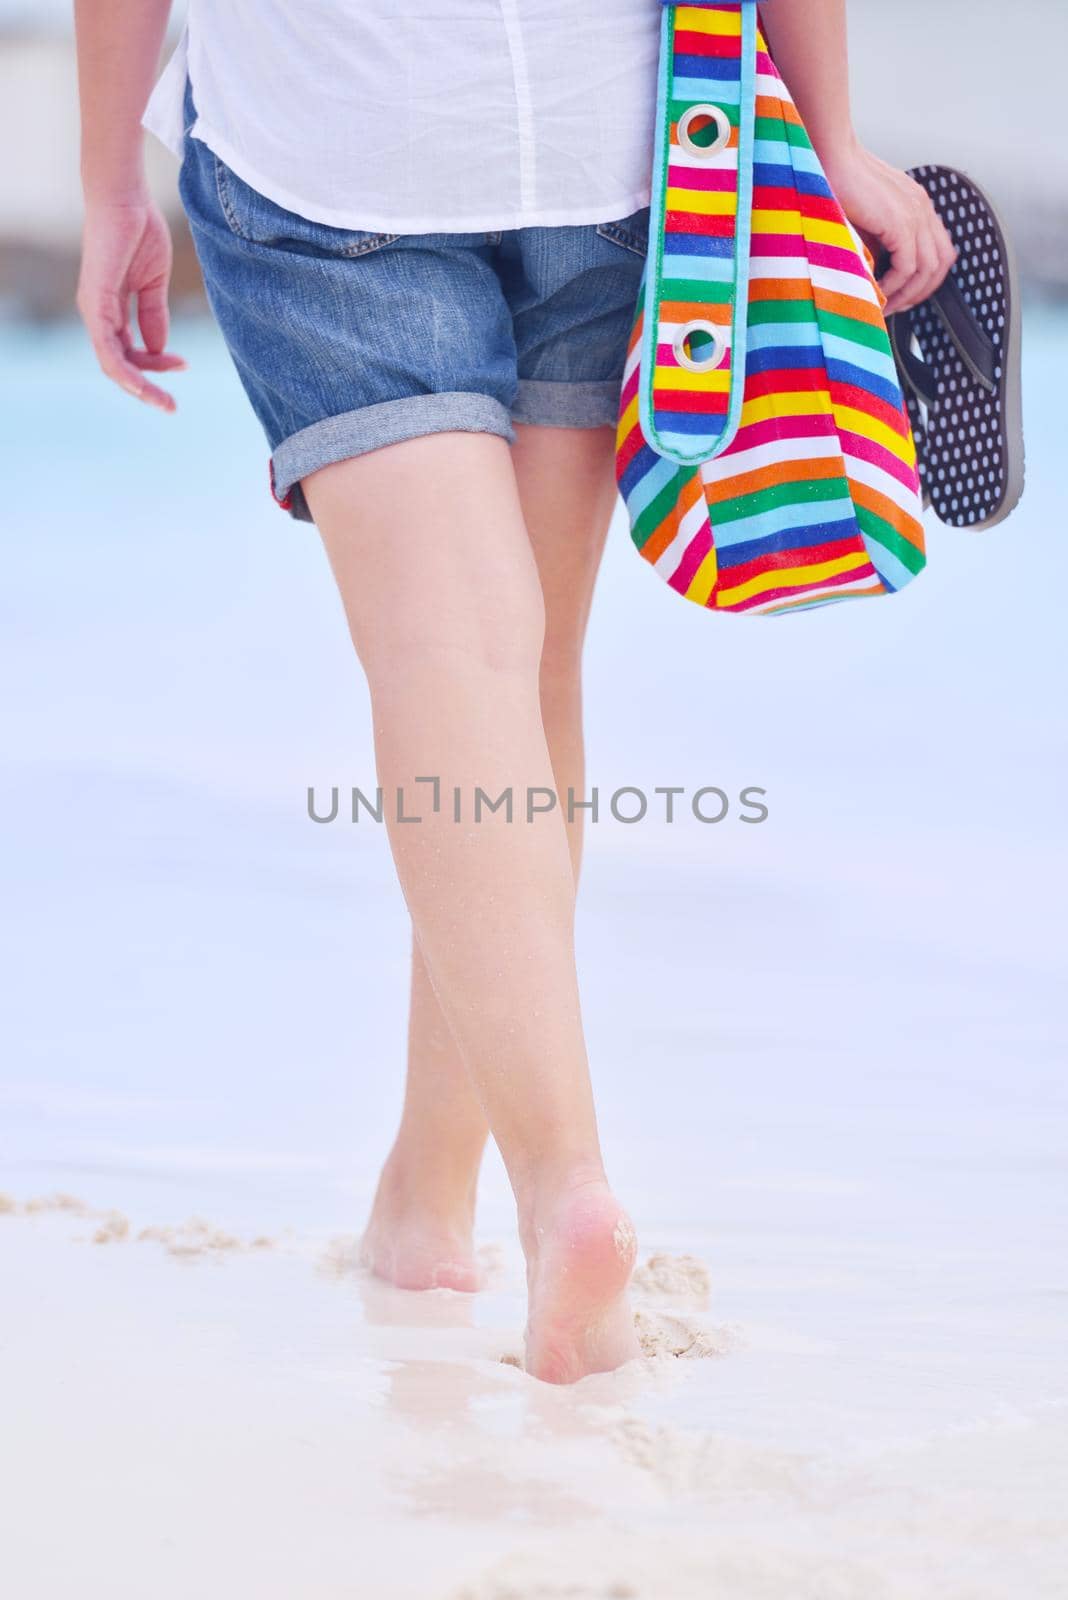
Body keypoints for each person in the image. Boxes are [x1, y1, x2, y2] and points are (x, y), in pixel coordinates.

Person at [74, 1, 955, 1385]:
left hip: (331, 145)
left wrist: (109, 184)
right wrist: (832, 135)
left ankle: (562, 1191)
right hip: (597, 146)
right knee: (525, 670)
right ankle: (427, 1209)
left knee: (454, 665)